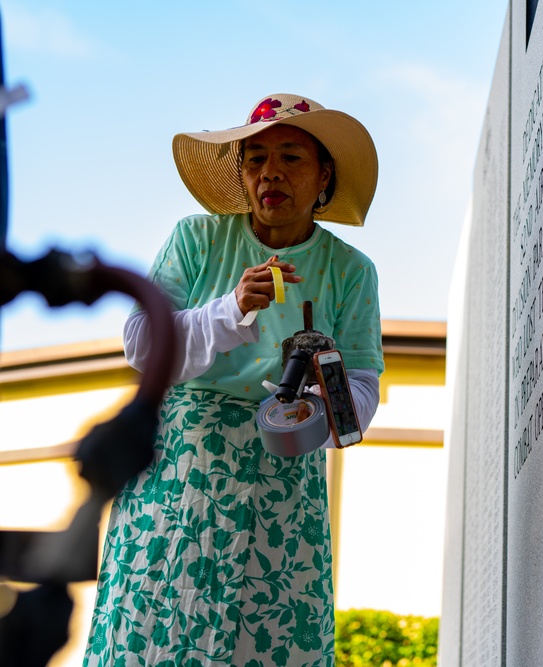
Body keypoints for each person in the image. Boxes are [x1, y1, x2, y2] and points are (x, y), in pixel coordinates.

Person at [83, 94, 384, 666]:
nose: (270, 171)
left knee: (267, 635)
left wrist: (318, 402)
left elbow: (359, 396)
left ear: (324, 174)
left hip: (285, 478)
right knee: (154, 627)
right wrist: (228, 310)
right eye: (255, 159)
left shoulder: (350, 271)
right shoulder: (196, 240)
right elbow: (141, 345)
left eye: (291, 157)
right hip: (178, 468)